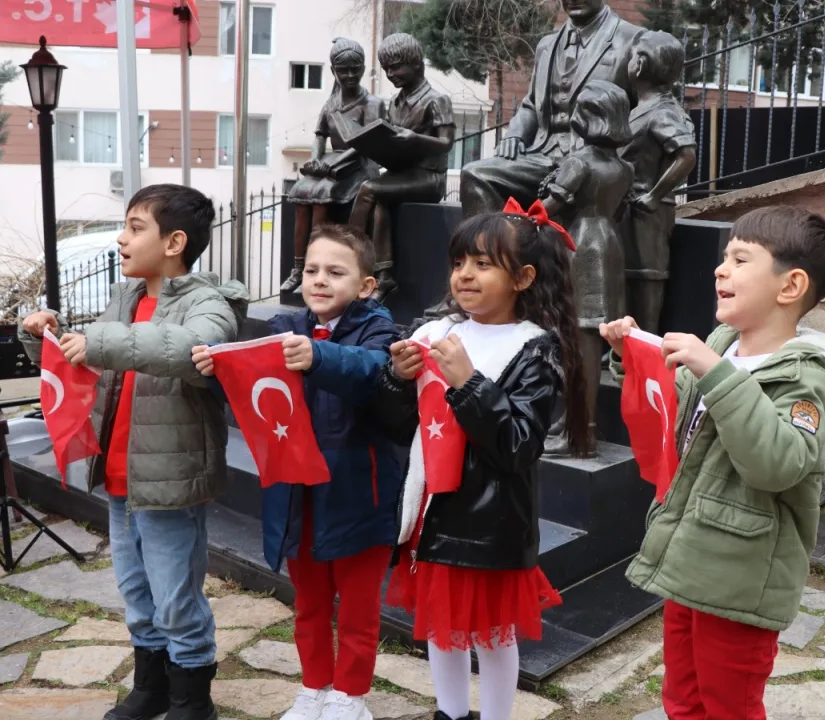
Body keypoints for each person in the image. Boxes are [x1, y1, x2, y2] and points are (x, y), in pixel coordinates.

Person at [600, 206, 825, 720]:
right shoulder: (723, 346)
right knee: (682, 698)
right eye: (725, 257)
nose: (720, 269)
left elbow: (778, 463)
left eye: (740, 259)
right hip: (691, 558)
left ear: (790, 286)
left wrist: (716, 374)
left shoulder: (804, 379)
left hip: (743, 578)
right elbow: (678, 403)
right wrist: (630, 354)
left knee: (730, 706)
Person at [20, 184, 248, 720]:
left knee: (176, 596)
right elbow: (90, 362)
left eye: (134, 228)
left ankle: (193, 699)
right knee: (137, 591)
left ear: (174, 242)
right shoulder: (125, 299)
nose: (121, 239)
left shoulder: (209, 304)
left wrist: (100, 342)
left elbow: (187, 351)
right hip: (122, 476)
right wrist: (44, 337)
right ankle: (153, 686)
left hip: (170, 479)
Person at [376, 209, 589, 720]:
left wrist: (469, 383)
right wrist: (397, 379)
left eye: (483, 263)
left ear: (523, 278)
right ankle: (448, 713)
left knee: (493, 636)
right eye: (458, 263)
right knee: (441, 629)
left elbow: (518, 445)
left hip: (491, 522)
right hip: (433, 511)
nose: (465, 275)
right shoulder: (436, 332)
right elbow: (401, 426)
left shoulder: (534, 348)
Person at [192, 225, 401, 720]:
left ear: (366, 286)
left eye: (335, 272)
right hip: (297, 495)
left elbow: (372, 371)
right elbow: (255, 393)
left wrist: (318, 355)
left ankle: (350, 696)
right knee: (309, 604)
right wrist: (219, 372)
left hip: (359, 496)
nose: (319, 280)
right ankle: (314, 687)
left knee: (357, 608)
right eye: (311, 270)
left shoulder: (381, 331)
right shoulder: (285, 326)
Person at [458, 0, 641, 216]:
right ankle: (497, 239)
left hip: (594, 163)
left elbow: (645, 107)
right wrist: (515, 134)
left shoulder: (633, 40)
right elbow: (531, 103)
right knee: (475, 174)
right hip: (542, 155)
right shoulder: (547, 45)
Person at [539, 79, 634, 456]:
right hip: (610, 244)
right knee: (585, 341)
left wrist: (521, 219)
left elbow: (549, 207)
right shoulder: (624, 168)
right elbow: (622, 210)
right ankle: (575, 422)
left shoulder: (579, 162)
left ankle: (582, 432)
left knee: (581, 343)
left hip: (582, 246)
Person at [347, 32, 456, 302]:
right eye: (386, 69)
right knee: (381, 203)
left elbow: (446, 143)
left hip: (429, 178)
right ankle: (384, 276)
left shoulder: (436, 100)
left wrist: (415, 138)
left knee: (369, 188)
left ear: (416, 64)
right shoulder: (395, 103)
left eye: (395, 67)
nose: (390, 74)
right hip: (402, 172)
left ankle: (348, 255)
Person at [282, 38, 387, 294]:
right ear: (333, 71)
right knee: (301, 192)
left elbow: (366, 143)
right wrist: (316, 159)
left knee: (322, 194)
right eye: (343, 70)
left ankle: (317, 263)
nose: (350, 75)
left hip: (359, 164)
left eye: (355, 69)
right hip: (331, 163)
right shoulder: (331, 103)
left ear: (363, 69)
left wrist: (333, 165)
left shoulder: (372, 104)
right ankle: (299, 267)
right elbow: (320, 135)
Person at [620, 30, 697, 332]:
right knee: (629, 282)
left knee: (645, 283)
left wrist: (653, 196)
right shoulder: (642, 108)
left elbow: (686, 155)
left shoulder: (662, 112)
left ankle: (644, 346)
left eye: (630, 57)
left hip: (646, 217)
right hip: (628, 213)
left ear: (640, 64)